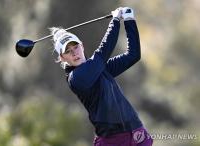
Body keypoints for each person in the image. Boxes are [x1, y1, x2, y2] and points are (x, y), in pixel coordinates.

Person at [50, 7, 153, 146]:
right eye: (68, 52)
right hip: (112, 140)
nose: (74, 53)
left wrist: (129, 20)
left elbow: (133, 55)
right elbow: (102, 52)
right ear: (62, 58)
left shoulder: (101, 68)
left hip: (136, 132)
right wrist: (115, 21)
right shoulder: (75, 78)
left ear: (82, 46)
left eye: (76, 47)